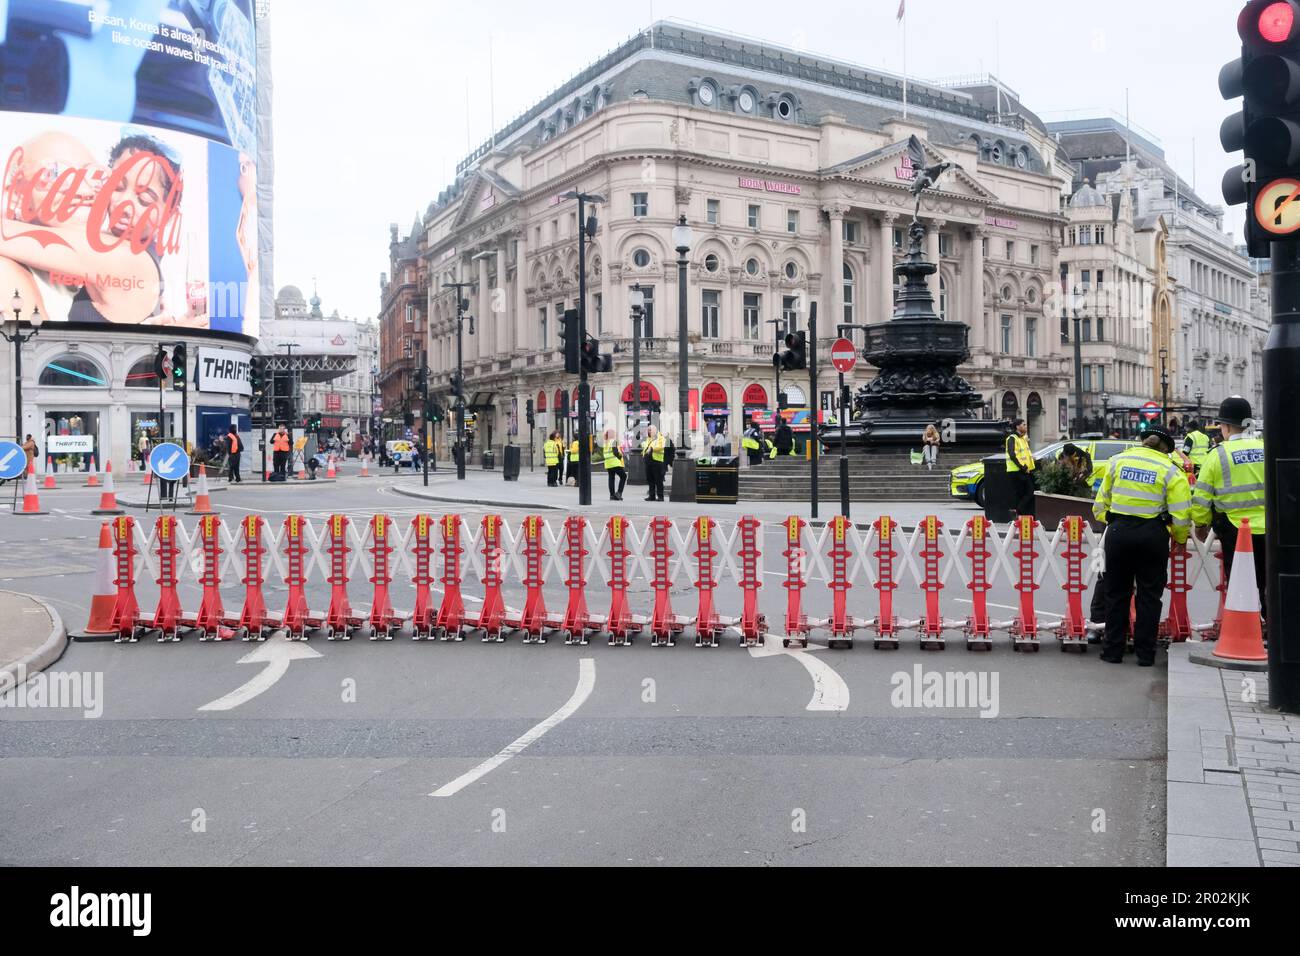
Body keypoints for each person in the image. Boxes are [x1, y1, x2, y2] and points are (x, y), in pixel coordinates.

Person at [1092, 424, 1192, 665]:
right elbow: (1181, 514)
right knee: (1149, 595)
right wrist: (1179, 539)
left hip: (1118, 533)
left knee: (1116, 594)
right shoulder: (1170, 470)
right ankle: (1145, 654)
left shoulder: (1117, 462)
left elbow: (1099, 506)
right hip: (1152, 535)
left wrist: (1116, 522)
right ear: (1166, 448)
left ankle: (1112, 651)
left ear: (1143, 440)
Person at [1190, 396, 1266, 617]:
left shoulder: (1217, 455)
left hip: (1235, 529)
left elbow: (1202, 497)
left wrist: (1201, 525)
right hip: (1269, 528)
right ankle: (1271, 627)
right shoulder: (1265, 448)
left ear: (1225, 426)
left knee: (1241, 583)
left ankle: (1245, 628)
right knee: (1266, 580)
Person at [1004, 418, 1037, 517]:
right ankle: (1017, 511)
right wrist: (1022, 467)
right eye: (1023, 424)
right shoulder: (1012, 438)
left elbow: (1024, 454)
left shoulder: (1022, 439)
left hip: (1024, 470)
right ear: (1017, 426)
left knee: (1025, 492)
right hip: (1016, 470)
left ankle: (1017, 511)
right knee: (1025, 492)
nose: (1025, 426)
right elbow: (1012, 454)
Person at [642, 425, 667, 502]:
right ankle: (651, 495)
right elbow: (645, 447)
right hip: (648, 460)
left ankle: (660, 496)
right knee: (650, 479)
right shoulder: (649, 439)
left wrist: (652, 449)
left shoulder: (660, 437)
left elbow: (661, 447)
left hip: (657, 461)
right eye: (648, 430)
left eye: (650, 430)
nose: (648, 432)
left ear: (655, 430)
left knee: (658, 480)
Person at [603, 429, 626, 501]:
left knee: (611, 478)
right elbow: (615, 452)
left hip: (608, 463)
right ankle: (619, 493)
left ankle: (612, 495)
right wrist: (620, 457)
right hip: (615, 462)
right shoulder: (613, 441)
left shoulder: (606, 443)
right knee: (624, 476)